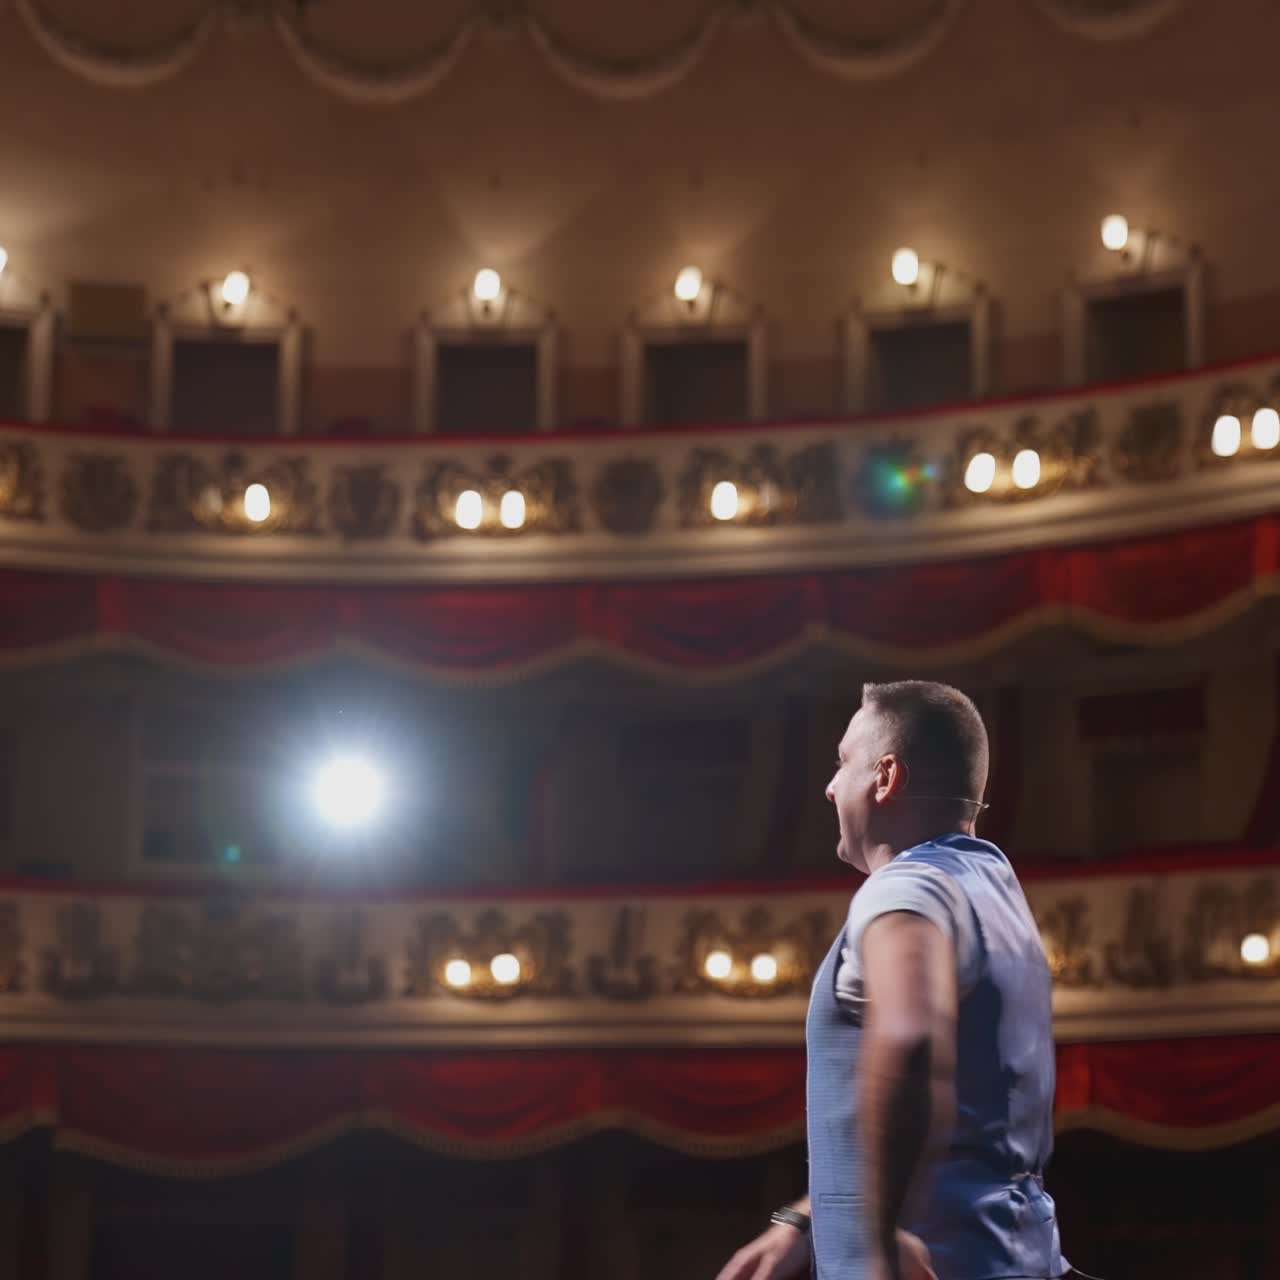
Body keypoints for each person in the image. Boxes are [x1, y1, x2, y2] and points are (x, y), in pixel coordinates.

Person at [716, 681, 1071, 1280]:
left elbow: (909, 1037)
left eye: (843, 762)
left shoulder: (906, 888)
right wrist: (810, 1219)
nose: (830, 786)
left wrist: (879, 1242)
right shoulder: (993, 883)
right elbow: (964, 1130)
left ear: (884, 777)